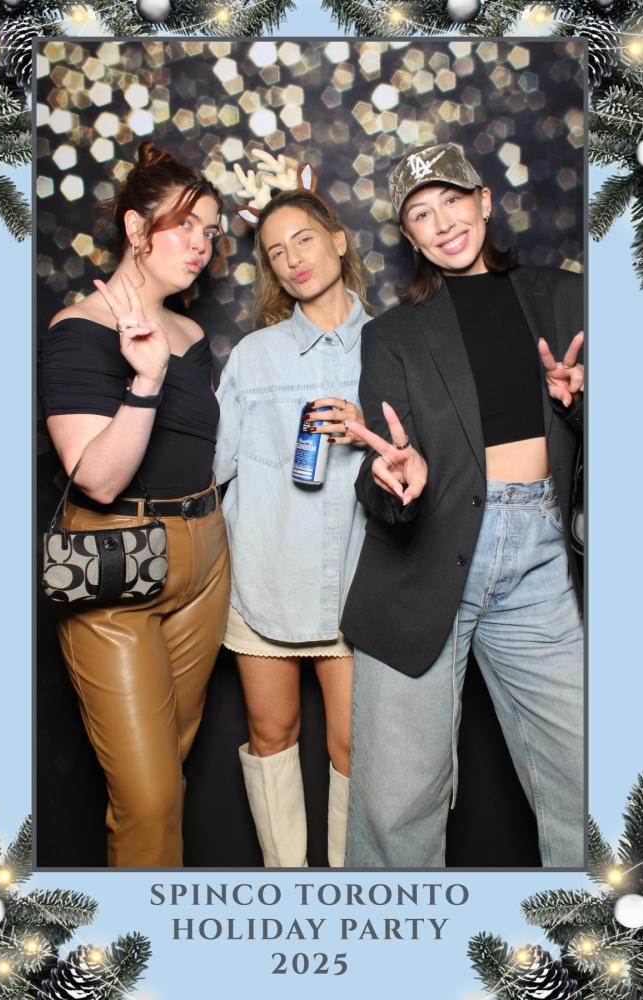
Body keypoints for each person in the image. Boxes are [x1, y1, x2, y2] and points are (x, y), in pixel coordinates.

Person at [341, 141, 584, 868]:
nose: (443, 221)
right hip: (424, 561)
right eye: (421, 214)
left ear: (483, 201)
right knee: (397, 803)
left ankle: (595, 928)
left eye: (452, 200)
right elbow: (379, 467)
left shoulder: (566, 297)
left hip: (543, 563)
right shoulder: (390, 335)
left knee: (586, 778)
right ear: (409, 237)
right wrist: (395, 479)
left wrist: (580, 405)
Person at [38, 141, 230, 867]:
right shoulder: (79, 329)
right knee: (146, 799)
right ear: (136, 227)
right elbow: (96, 478)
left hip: (205, 559)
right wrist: (144, 380)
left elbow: (203, 445)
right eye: (186, 225)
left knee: (169, 777)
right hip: (117, 562)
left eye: (211, 232)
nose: (202, 245)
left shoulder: (193, 334)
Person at [214, 183, 370, 867]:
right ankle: (286, 885)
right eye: (276, 252)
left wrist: (370, 437)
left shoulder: (392, 345)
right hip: (264, 573)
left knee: (354, 746)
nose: (293, 259)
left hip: (355, 582)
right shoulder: (254, 355)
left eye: (303, 239)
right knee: (271, 733)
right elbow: (214, 466)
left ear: (337, 239)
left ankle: (345, 892)